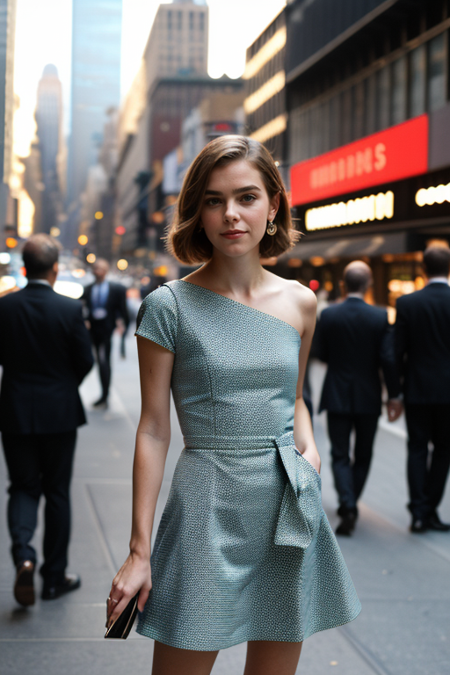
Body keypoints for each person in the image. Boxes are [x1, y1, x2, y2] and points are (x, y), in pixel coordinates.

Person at [106, 136, 360, 675]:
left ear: (273, 206)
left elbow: (294, 398)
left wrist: (309, 447)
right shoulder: (167, 307)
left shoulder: (301, 302)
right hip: (205, 509)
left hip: (285, 506)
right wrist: (138, 548)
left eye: (246, 197)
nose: (231, 215)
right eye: (214, 200)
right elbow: (153, 429)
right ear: (197, 212)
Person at [0, 234, 93, 606]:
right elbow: (85, 360)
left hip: (15, 411)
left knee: (22, 487)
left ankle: (24, 555)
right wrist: (62, 385)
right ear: (55, 269)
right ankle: (54, 577)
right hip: (59, 414)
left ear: (25, 268)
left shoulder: (4, 308)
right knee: (56, 492)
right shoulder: (69, 310)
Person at [315, 261, 401, 536]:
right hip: (368, 394)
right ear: (368, 285)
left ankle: (347, 503)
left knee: (339, 453)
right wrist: (394, 394)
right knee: (363, 454)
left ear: (343, 284)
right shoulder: (380, 317)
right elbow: (387, 358)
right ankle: (351, 503)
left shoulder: (328, 315)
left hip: (337, 392)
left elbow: (320, 352)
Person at [394, 245, 450, 534]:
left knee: (417, 448)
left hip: (417, 389)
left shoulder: (407, 304)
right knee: (443, 450)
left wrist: (395, 391)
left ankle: (418, 512)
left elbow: (395, 352)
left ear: (424, 270)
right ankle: (430, 510)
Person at [82, 258, 129, 407]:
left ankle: (105, 395)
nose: (98, 272)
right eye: (95, 269)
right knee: (90, 359)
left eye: (101, 269)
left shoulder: (117, 289)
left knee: (104, 361)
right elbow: (81, 307)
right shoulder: (88, 289)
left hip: (107, 329)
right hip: (92, 330)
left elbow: (123, 310)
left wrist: (123, 327)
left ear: (106, 271)